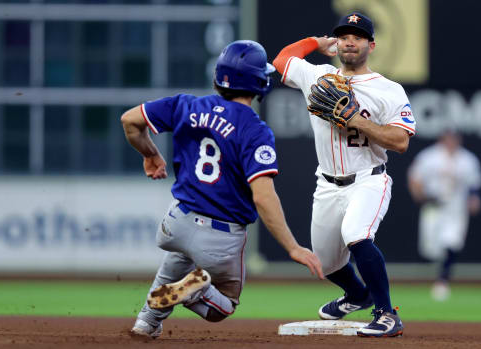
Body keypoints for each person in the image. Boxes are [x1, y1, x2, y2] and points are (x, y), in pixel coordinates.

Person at [121, 40, 324, 339]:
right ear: (258, 82)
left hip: (176, 222)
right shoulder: (255, 130)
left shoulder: (186, 105)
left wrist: (150, 154)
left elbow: (130, 120)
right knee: (224, 305)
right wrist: (293, 247)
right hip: (220, 237)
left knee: (178, 260)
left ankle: (147, 321)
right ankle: (192, 292)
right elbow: (263, 196)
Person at [272, 12, 415, 337]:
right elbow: (281, 61)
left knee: (356, 233)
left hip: (369, 178)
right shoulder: (317, 76)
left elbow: (401, 142)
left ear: (371, 45)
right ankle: (357, 294)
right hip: (327, 183)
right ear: (337, 43)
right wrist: (314, 43)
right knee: (324, 261)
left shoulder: (389, 90)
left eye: (358, 36)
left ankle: (387, 314)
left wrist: (356, 119)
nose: (350, 40)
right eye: (344, 35)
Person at [407, 130, 481, 301]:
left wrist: (475, 198)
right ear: (442, 140)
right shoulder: (429, 156)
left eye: (455, 139)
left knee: (452, 241)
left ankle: (442, 280)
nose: (452, 142)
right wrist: (419, 194)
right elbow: (415, 178)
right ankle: (437, 275)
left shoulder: (467, 159)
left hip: (456, 207)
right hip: (434, 206)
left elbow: (474, 183)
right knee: (431, 248)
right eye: (449, 139)